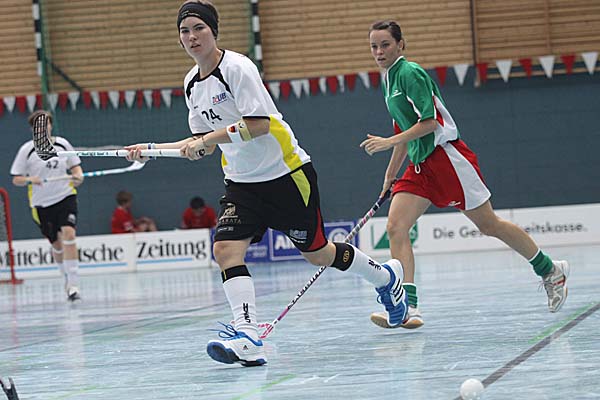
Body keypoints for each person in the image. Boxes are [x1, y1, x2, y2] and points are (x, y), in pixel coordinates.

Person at [125, 0, 408, 367]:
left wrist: (206, 141)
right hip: (242, 183)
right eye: (184, 31)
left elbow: (258, 124)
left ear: (213, 31)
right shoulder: (191, 84)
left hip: (286, 175)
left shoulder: (237, 68)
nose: (192, 37)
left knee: (317, 254)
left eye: (199, 28)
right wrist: (152, 150)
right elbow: (200, 143)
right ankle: (248, 335)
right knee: (226, 250)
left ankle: (385, 277)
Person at [360, 20, 570, 329]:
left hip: (447, 159)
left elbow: (430, 123)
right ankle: (407, 307)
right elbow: (405, 130)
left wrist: (388, 142)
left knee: (489, 224)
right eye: (374, 46)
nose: (379, 51)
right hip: (421, 166)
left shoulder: (410, 73)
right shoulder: (388, 79)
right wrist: (390, 174)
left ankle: (550, 269)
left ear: (400, 45)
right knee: (395, 227)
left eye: (385, 45)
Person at [10, 110, 84, 301]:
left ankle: (73, 283)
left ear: (50, 126)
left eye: (46, 123)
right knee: (56, 244)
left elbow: (76, 168)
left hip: (65, 196)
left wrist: (78, 177)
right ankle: (65, 276)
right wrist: (30, 179)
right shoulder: (27, 150)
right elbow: (16, 179)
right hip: (42, 203)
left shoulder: (63, 144)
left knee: (69, 234)